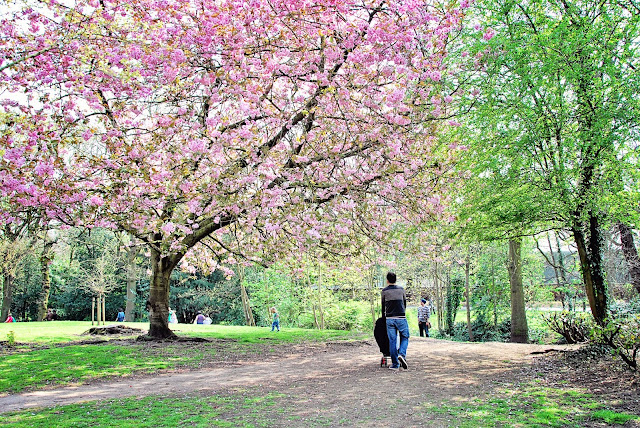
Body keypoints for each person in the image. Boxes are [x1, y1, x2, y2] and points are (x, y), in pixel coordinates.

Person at [381, 271, 409, 371]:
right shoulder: (401, 290)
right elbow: (404, 303)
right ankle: (401, 354)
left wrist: (384, 318)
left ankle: (395, 364)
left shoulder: (384, 291)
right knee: (405, 336)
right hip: (401, 317)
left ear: (387, 280)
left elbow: (383, 306)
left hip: (389, 318)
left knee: (392, 341)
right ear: (395, 279)